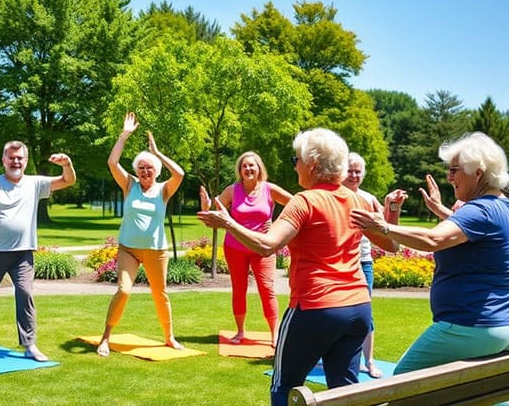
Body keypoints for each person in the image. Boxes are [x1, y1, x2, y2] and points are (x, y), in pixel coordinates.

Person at [197, 128, 396, 406]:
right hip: (358, 308)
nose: (295, 166)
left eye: (296, 160)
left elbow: (267, 245)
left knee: (285, 386)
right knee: (345, 390)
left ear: (312, 165)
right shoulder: (355, 200)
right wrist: (392, 213)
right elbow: (392, 245)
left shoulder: (304, 201)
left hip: (315, 307)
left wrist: (228, 223)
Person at [351, 132, 509, 377]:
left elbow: (433, 240)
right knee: (469, 392)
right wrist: (441, 210)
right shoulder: (505, 205)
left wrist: (383, 227)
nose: (449, 177)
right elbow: (475, 233)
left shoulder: (479, 210)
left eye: (455, 169)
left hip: (472, 327)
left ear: (478, 172)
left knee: (401, 382)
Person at [0, 140, 76, 361]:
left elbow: (68, 180)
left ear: (26, 161)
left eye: (20, 158)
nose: (16, 161)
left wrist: (67, 163)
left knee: (25, 294)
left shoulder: (35, 183)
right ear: (4, 160)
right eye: (11, 157)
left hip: (23, 253)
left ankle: (30, 344)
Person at [96, 112, 185, 357]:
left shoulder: (163, 189)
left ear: (156, 171)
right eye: (142, 168)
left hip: (156, 251)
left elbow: (180, 174)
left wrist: (157, 154)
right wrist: (124, 136)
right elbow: (112, 163)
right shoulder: (129, 185)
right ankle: (105, 337)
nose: (146, 172)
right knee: (123, 290)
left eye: (150, 168)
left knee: (160, 294)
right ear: (137, 170)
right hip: (129, 249)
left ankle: (169, 337)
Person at [199, 151, 292, 347]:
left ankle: (274, 334)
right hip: (235, 248)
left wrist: (276, 226)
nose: (248, 169)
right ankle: (240, 331)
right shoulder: (232, 191)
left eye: (252, 165)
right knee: (238, 289)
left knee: (267, 289)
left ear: (259, 169)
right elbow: (214, 214)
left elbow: (296, 205)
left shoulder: (269, 189)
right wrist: (206, 205)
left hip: (262, 247)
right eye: (244, 166)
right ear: (240, 171)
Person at [342, 152, 407, 379]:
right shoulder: (333, 196)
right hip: (339, 263)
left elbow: (388, 230)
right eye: (350, 170)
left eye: (358, 171)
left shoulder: (368, 199)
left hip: (363, 262)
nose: (354, 175)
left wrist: (391, 205)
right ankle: (335, 356)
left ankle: (368, 360)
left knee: (365, 313)